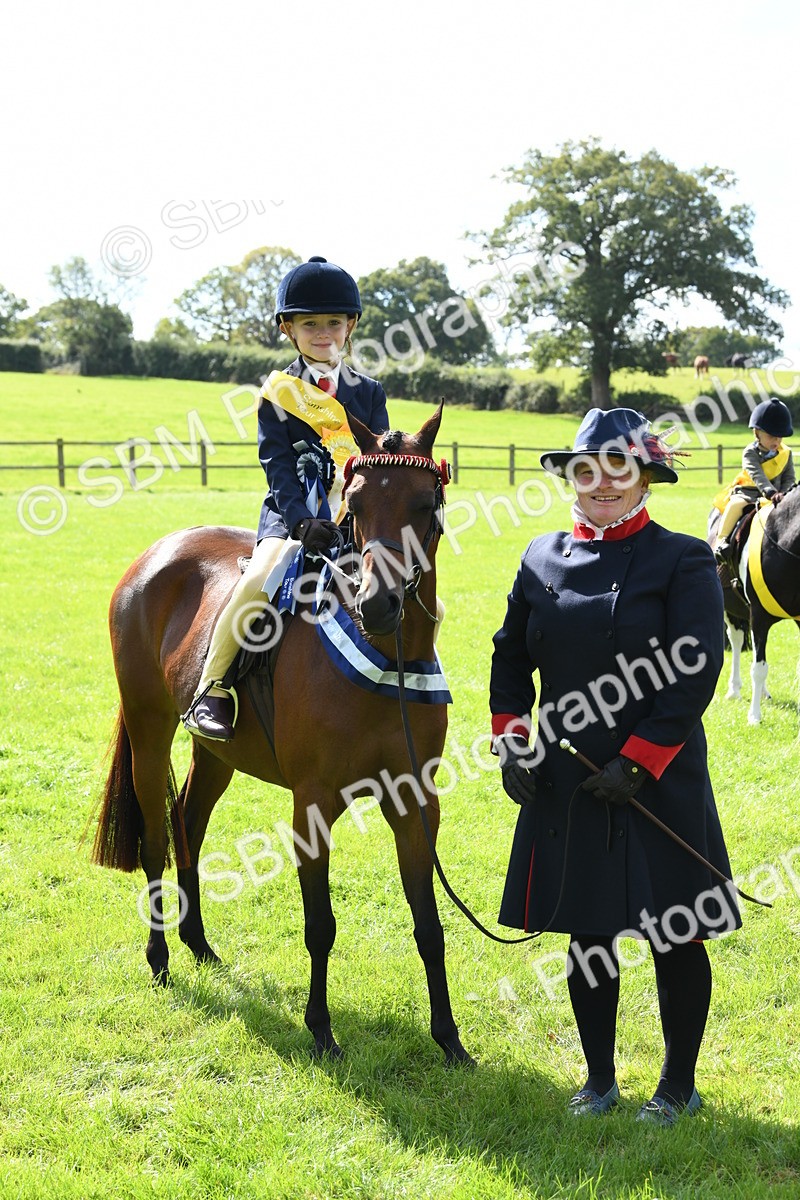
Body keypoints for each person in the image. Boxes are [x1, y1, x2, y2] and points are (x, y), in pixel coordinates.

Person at [490, 407, 741, 1126]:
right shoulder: (538, 557)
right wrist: (512, 741)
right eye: (587, 470)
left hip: (658, 777)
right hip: (569, 780)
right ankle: (598, 1081)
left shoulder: (683, 556)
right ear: (570, 477)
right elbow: (510, 662)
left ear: (644, 480)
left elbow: (698, 668)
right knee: (590, 933)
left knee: (674, 931)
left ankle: (678, 1087)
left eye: (618, 471)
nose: (602, 484)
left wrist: (639, 761)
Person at [183, 256, 389, 741]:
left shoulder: (370, 393)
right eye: (309, 324)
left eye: (333, 323)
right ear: (287, 329)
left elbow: (376, 465)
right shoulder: (277, 393)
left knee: (419, 596)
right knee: (258, 579)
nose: (323, 333)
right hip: (292, 519)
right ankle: (213, 688)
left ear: (351, 325)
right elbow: (276, 465)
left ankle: (403, 689)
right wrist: (299, 523)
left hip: (351, 519)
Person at [713, 397, 795, 562]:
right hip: (749, 493)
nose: (777, 441)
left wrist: (785, 494)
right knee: (735, 505)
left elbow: (789, 477)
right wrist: (770, 492)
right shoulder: (750, 453)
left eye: (780, 437)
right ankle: (721, 542)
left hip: (778, 497)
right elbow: (756, 474)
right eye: (772, 436)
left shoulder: (786, 453)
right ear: (757, 432)